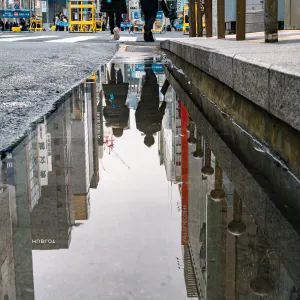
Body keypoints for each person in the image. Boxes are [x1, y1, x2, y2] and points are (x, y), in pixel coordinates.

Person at [135, 62, 166, 147]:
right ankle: (147, 64)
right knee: (148, 81)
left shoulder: (157, 128)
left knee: (152, 80)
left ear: (153, 138)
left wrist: (164, 105)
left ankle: (148, 63)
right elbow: (137, 113)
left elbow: (160, 114)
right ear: (145, 138)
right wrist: (140, 104)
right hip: (144, 99)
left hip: (153, 99)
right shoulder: (139, 127)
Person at [103, 64, 129, 138]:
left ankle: (118, 70)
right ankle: (112, 67)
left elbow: (127, 111)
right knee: (112, 84)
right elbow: (104, 110)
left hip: (121, 100)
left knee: (120, 83)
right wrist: (110, 106)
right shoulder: (109, 123)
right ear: (113, 131)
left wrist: (123, 106)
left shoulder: (124, 122)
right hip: (111, 99)